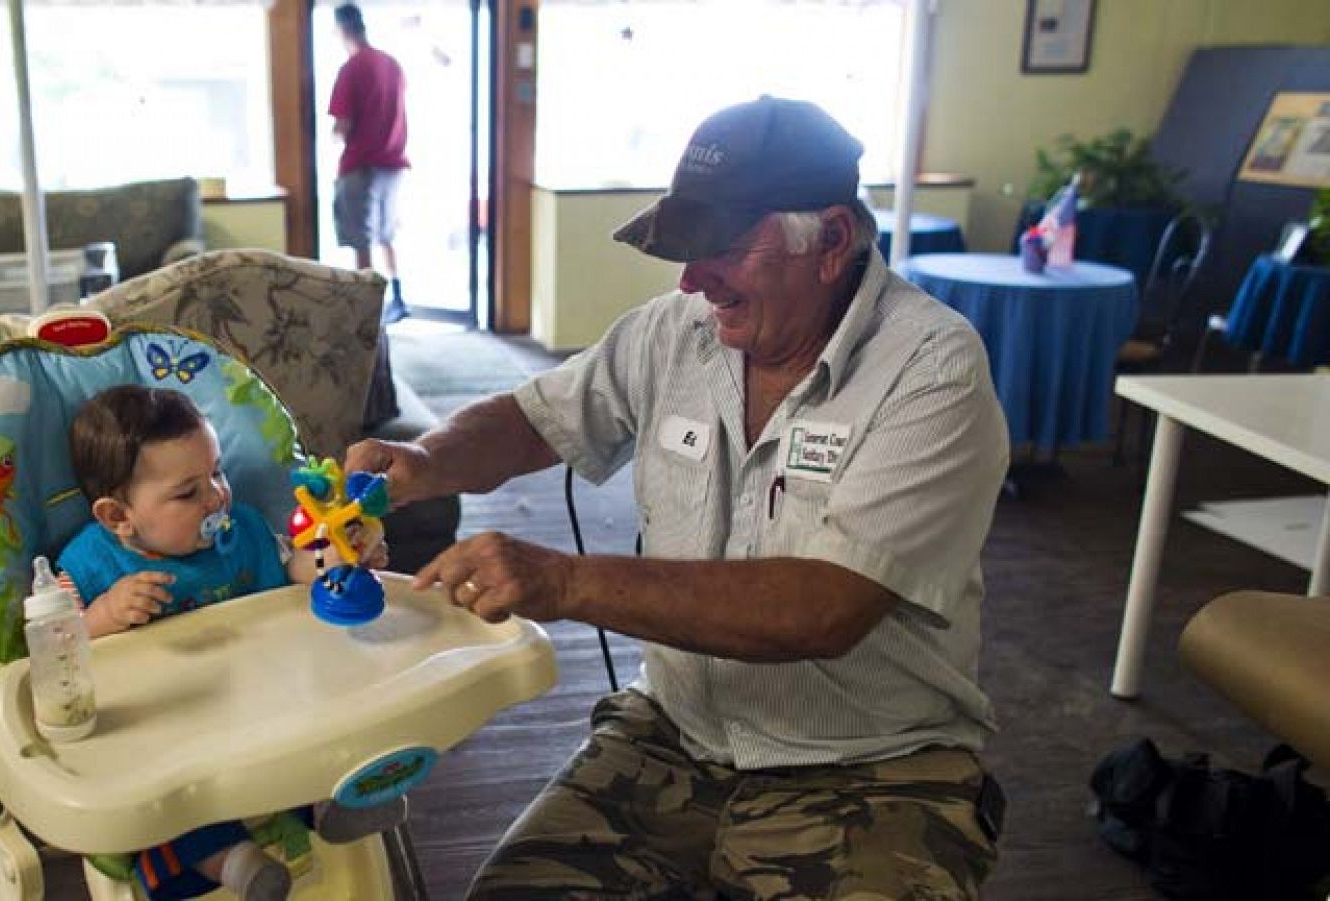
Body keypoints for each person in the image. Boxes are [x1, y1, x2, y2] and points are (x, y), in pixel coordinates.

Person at [346, 97, 1010, 899]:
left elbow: (823, 607)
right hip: (673, 733)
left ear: (831, 241)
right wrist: (422, 459)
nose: (694, 280)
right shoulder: (675, 330)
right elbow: (535, 417)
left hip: (876, 766)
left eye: (723, 247)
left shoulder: (931, 369)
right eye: (688, 250)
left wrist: (564, 581)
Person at [57, 385, 398, 901]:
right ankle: (234, 863)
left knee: (326, 727)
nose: (217, 496)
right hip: (169, 736)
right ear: (117, 517)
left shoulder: (243, 531)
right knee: (159, 813)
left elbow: (290, 569)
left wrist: (338, 559)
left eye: (217, 472)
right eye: (187, 492)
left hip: (261, 707)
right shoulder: (87, 569)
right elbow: (50, 646)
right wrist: (101, 616)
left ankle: (336, 803)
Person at [328, 2, 411, 324]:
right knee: (386, 234)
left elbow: (343, 124)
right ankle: (399, 298)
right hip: (393, 164)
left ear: (342, 28)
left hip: (362, 165)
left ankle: (367, 313)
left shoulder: (352, 68)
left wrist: (333, 137)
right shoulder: (392, 64)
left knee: (361, 240)